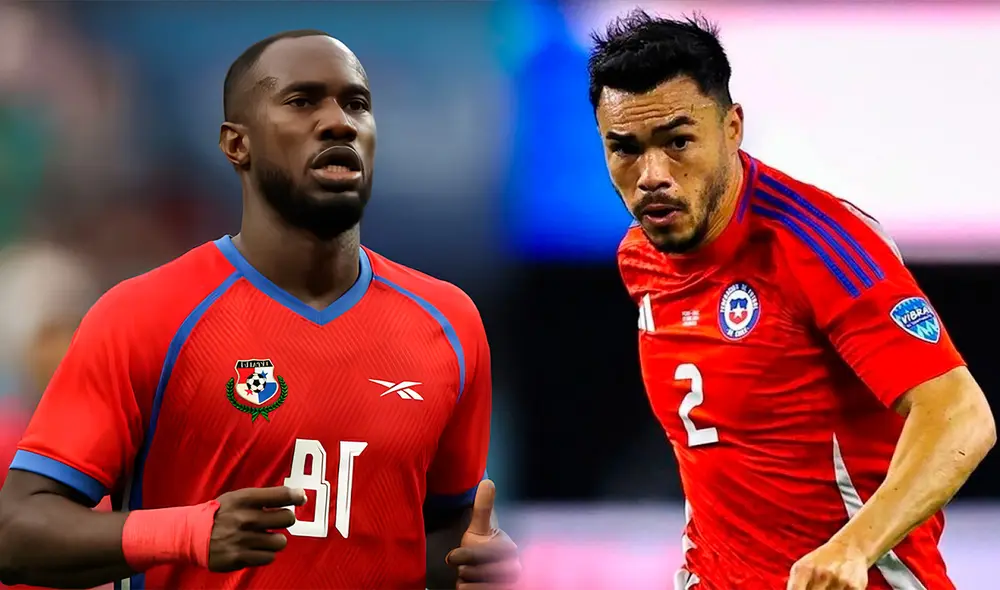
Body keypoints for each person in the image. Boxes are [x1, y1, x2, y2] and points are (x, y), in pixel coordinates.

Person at [0, 30, 519, 590]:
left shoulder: (447, 323)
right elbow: (16, 532)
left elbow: (446, 528)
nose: (339, 121)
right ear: (236, 145)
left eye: (356, 104)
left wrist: (474, 564)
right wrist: (187, 535)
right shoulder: (145, 315)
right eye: (302, 102)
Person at [589, 10, 995, 590]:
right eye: (624, 148)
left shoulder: (818, 246)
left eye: (678, 142)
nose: (653, 174)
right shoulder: (642, 255)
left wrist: (854, 548)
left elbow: (960, 415)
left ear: (732, 128)